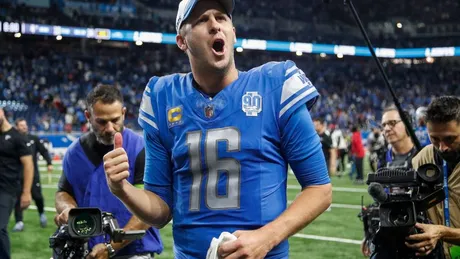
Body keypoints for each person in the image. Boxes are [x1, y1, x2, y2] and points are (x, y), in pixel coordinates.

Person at [103, 0, 332, 258]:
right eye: (201, 20)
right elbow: (160, 212)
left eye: (222, 17)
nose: (215, 25)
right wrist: (122, 189)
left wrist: (267, 238)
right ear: (182, 41)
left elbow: (320, 190)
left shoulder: (275, 85)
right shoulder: (162, 97)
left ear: (233, 32)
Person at [54, 85, 163, 259]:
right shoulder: (74, 153)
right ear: (88, 116)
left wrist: (111, 247)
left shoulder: (141, 149)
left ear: (124, 113)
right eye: (102, 122)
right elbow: (64, 192)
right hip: (88, 251)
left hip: (133, 251)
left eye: (115, 119)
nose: (111, 128)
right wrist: (68, 209)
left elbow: (148, 207)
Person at [407, 96, 460, 259]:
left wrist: (442, 232)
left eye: (450, 139)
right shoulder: (421, 159)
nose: (442, 147)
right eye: (434, 139)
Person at [361, 106, 418, 257]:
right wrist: (368, 235)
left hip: (415, 232)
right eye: (384, 124)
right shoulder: (381, 157)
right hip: (385, 232)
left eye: (392, 123)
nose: (387, 128)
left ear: (407, 125)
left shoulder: (422, 155)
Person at [0, 106, 33, 259]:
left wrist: (26, 192)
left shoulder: (17, 137)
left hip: (8, 189)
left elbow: (28, 165)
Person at [12, 118, 53, 232]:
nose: (25, 127)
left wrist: (49, 162)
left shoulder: (33, 139)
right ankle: (19, 222)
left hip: (33, 174)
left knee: (38, 196)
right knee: (18, 199)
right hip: (17, 175)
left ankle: (41, 214)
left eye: (25, 125)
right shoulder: (13, 140)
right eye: (21, 125)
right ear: (17, 127)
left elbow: (44, 151)